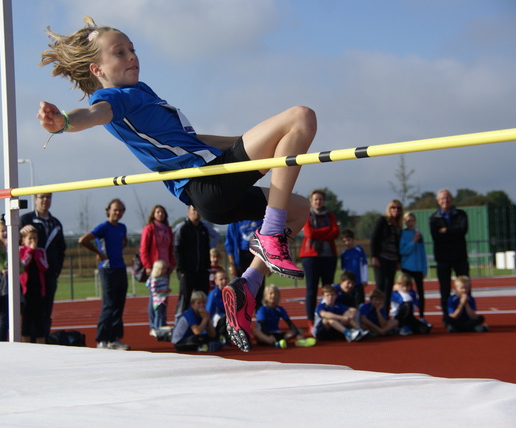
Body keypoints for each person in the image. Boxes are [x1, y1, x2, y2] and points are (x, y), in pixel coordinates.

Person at [36, 17, 315, 352]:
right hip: (210, 180)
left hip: (214, 187)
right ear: (97, 69)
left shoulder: (141, 93)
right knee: (300, 116)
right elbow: (94, 114)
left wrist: (249, 141)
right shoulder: (115, 97)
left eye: (132, 50)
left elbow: (192, 139)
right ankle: (270, 235)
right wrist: (64, 121)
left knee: (298, 210)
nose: (131, 56)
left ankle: (247, 286)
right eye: (120, 52)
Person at [79, 198, 131, 350]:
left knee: (119, 304)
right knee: (109, 304)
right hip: (107, 269)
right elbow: (83, 240)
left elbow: (124, 240)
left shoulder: (122, 227)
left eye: (121, 210)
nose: (118, 212)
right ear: (108, 210)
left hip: (120, 268)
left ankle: (114, 339)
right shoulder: (103, 227)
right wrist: (99, 253)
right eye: (115, 209)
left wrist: (119, 250)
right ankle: (102, 340)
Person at [20, 193, 66, 339]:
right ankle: (28, 342)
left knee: (45, 312)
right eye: (41, 197)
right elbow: (15, 243)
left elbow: (61, 248)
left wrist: (56, 269)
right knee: (27, 313)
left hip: (49, 274)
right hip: (29, 276)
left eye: (48, 197)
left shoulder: (55, 223)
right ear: (35, 200)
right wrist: (21, 231)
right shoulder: (25, 220)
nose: (45, 200)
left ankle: (43, 340)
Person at [299, 189, 340, 329]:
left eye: (320, 199)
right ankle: (311, 321)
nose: (318, 202)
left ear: (324, 201)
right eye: (315, 199)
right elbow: (309, 233)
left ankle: (329, 318)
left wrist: (320, 234)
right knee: (311, 289)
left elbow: (335, 232)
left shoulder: (330, 215)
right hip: (310, 257)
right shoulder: (306, 214)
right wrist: (325, 231)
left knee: (329, 289)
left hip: (329, 256)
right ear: (311, 201)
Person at [429, 189, 469, 318]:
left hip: (460, 256)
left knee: (465, 287)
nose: (445, 201)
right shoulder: (433, 218)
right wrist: (453, 232)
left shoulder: (461, 214)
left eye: (447, 198)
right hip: (443, 258)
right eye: (442, 199)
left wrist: (446, 231)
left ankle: (466, 315)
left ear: (452, 199)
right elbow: (436, 236)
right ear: (438, 201)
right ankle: (447, 317)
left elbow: (463, 230)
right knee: (444, 289)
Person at [139, 205, 175, 331]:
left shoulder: (168, 229)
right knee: (154, 297)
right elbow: (143, 249)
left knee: (164, 296)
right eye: (158, 212)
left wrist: (172, 264)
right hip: (155, 268)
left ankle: (162, 322)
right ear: (153, 214)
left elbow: (171, 248)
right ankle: (154, 325)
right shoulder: (149, 229)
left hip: (166, 267)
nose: (160, 214)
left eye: (162, 212)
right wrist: (147, 266)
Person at [174, 205, 212, 317]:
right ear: (188, 212)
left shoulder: (204, 229)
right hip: (187, 272)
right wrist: (182, 270)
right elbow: (177, 250)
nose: (196, 212)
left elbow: (206, 249)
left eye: (199, 210)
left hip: (202, 272)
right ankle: (180, 323)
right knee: (185, 299)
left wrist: (207, 268)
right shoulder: (183, 229)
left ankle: (201, 325)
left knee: (202, 299)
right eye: (194, 209)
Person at [253, 284, 315, 348]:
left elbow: (289, 323)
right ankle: (275, 343)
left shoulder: (280, 309)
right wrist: (269, 335)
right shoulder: (262, 309)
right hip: (266, 334)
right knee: (256, 331)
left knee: (299, 331)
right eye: (271, 294)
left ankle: (300, 341)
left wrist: (297, 334)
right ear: (265, 296)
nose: (273, 295)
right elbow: (262, 325)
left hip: (277, 333)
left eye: (276, 294)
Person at [370, 199, 403, 316]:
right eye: (393, 208)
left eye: (398, 208)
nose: (396, 210)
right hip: (381, 258)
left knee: (389, 288)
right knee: (380, 287)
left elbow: (398, 245)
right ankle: (375, 313)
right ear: (389, 209)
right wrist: (374, 256)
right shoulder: (383, 221)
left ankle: (385, 315)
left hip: (393, 259)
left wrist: (399, 261)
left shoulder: (398, 225)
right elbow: (374, 239)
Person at [224, 219, 265, 307]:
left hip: (257, 256)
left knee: (259, 290)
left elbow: (268, 239)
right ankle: (241, 317)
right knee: (241, 291)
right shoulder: (235, 222)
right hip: (241, 258)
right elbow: (229, 244)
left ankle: (260, 318)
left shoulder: (260, 218)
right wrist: (232, 263)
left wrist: (269, 264)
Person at [19, 225, 49, 344]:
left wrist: (36, 253)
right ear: (24, 240)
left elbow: (44, 266)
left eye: (35, 238)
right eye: (30, 239)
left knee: (39, 319)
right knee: (26, 318)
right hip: (25, 289)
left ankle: (41, 342)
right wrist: (30, 251)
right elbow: (23, 265)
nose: (33, 241)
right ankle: (25, 343)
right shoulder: (20, 250)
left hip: (38, 288)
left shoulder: (41, 251)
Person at [399, 212, 428, 321]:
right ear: (404, 222)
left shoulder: (419, 234)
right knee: (406, 290)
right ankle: (406, 314)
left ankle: (421, 316)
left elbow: (422, 252)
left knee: (420, 292)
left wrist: (424, 268)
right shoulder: (403, 234)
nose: (410, 223)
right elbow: (403, 251)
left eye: (412, 220)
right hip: (407, 266)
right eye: (408, 220)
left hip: (418, 267)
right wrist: (413, 242)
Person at [340, 229, 369, 307]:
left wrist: (365, 279)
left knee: (360, 305)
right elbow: (343, 268)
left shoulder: (359, 250)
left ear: (353, 239)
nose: (347, 243)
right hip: (348, 284)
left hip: (358, 282)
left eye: (348, 240)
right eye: (344, 241)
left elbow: (364, 265)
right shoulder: (344, 253)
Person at [146, 260, 172, 338]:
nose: (165, 270)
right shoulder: (155, 279)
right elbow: (153, 289)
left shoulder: (164, 278)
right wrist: (164, 290)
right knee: (158, 314)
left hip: (163, 299)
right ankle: (156, 329)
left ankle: (162, 328)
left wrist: (167, 290)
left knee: (163, 314)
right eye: (163, 269)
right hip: (158, 300)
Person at [206, 269, 229, 341]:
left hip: (228, 318)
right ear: (216, 281)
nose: (224, 281)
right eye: (221, 279)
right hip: (217, 319)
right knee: (224, 318)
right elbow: (209, 311)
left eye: (226, 278)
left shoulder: (231, 293)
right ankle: (220, 337)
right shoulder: (214, 294)